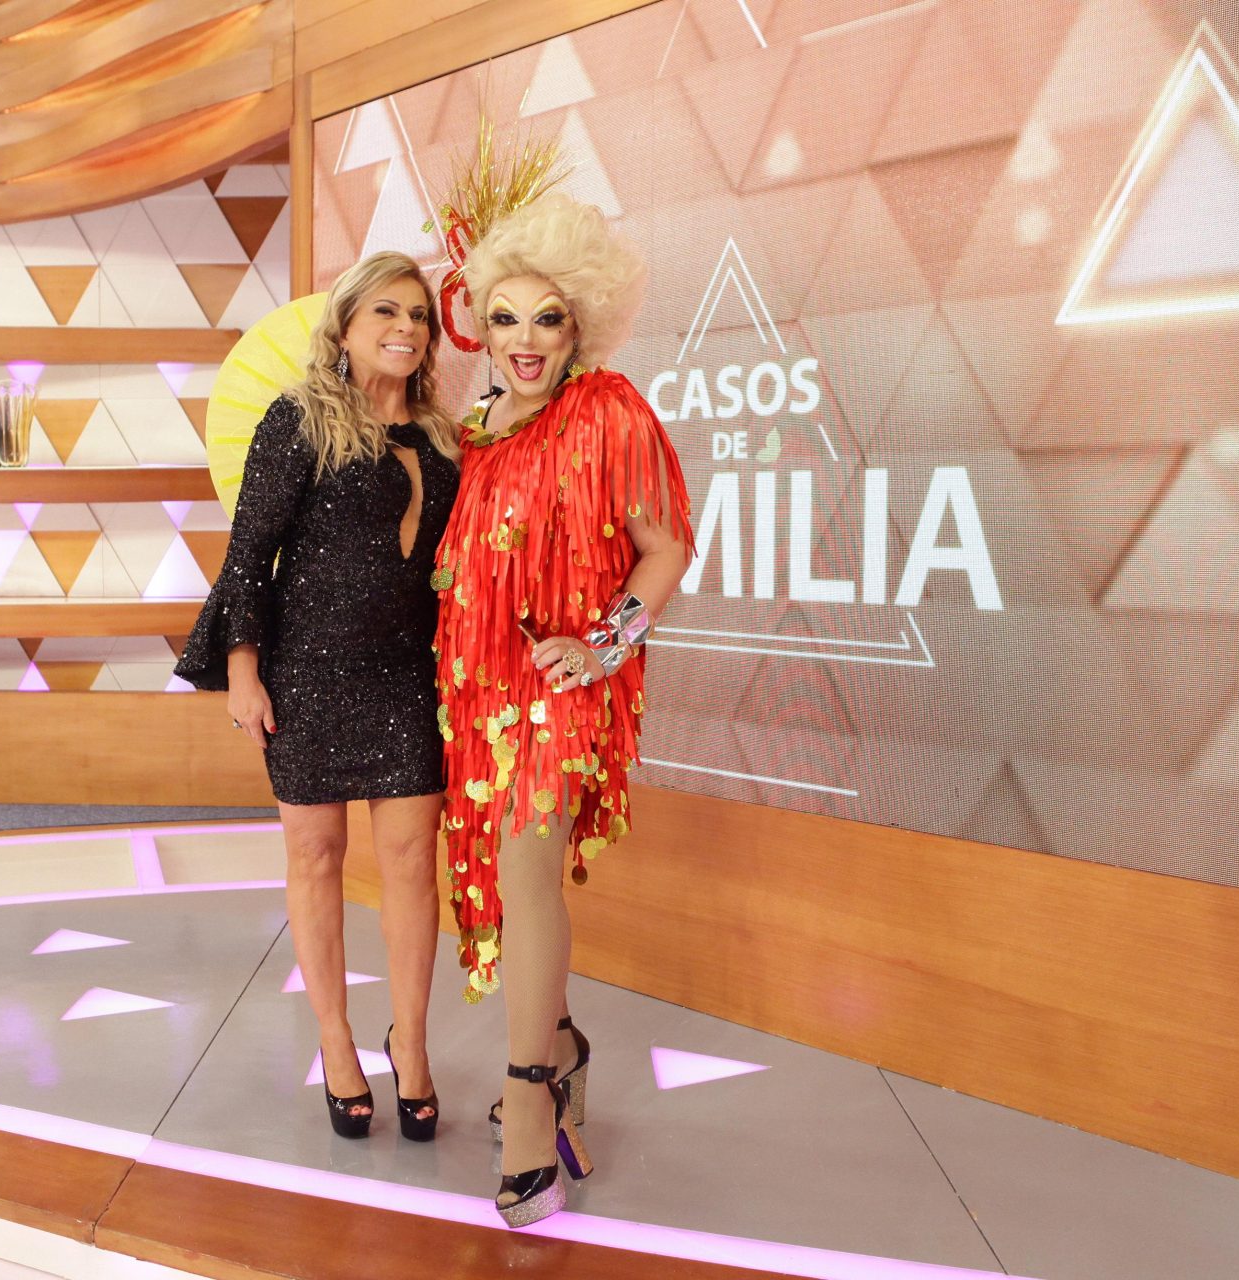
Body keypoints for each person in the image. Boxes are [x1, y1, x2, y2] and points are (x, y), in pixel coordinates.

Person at [430, 192, 695, 1225]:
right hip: (478, 690)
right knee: (504, 885)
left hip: (562, 688)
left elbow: (665, 548)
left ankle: (530, 1099)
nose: (526, 339)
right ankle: (566, 1042)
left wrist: (603, 645)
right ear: (481, 327)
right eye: (505, 317)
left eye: (548, 317)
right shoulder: (473, 433)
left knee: (527, 874)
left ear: (581, 322)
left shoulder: (611, 410)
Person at [175, 251, 460, 1142]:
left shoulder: (445, 438)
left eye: (418, 314)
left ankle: (410, 1042)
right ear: (344, 327)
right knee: (316, 855)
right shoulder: (299, 418)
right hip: (307, 671)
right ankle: (336, 1042)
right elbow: (249, 552)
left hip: (407, 673)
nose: (406, 328)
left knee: (411, 862)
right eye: (386, 311)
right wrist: (243, 670)